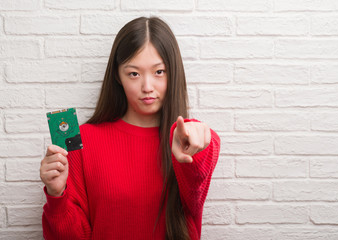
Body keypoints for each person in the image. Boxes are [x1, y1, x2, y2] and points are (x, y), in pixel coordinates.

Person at [40, 16, 220, 240]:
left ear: (174, 73)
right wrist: (57, 196)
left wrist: (200, 140)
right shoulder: (81, 140)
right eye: (134, 73)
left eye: (159, 72)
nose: (147, 87)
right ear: (117, 75)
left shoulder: (188, 141)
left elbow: (200, 172)